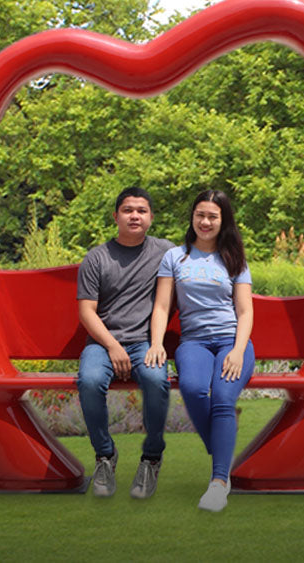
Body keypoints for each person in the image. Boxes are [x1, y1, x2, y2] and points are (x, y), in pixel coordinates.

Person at [146, 189, 254, 512]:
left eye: (213, 217)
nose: (205, 222)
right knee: (193, 389)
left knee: (222, 398)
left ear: (224, 221)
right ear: (192, 217)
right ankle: (223, 441)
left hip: (231, 342)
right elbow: (162, 306)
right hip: (193, 342)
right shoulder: (175, 257)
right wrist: (155, 342)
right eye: (200, 215)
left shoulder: (234, 258)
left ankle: (219, 483)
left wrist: (237, 351)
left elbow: (245, 311)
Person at [76, 186, 175, 499]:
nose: (135, 216)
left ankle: (151, 457)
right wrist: (113, 346)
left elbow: (202, 263)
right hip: (103, 343)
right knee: (89, 381)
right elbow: (86, 312)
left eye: (142, 211)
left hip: (146, 342)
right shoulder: (97, 258)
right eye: (128, 210)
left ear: (151, 218)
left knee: (157, 379)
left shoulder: (165, 253)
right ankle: (105, 455)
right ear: (116, 216)